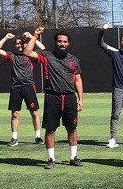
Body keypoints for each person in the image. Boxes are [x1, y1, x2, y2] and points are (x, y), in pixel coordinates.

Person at [24, 31, 84, 169]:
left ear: (68, 43)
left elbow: (78, 79)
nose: (62, 44)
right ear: (55, 42)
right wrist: (35, 36)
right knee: (50, 129)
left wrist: (81, 99)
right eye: (59, 41)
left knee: (72, 128)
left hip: (69, 98)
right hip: (52, 97)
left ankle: (73, 157)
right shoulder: (46, 56)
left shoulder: (73, 59)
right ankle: (51, 159)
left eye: (65, 41)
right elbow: (27, 52)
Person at [0, 27, 46, 146]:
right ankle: (14, 138)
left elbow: (42, 48)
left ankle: (37, 136)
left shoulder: (31, 55)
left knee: (34, 113)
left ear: (26, 44)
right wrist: (6, 37)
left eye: (21, 43)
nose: (19, 45)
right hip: (15, 87)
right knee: (15, 114)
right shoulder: (12, 56)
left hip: (29, 86)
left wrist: (32, 37)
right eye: (17, 43)